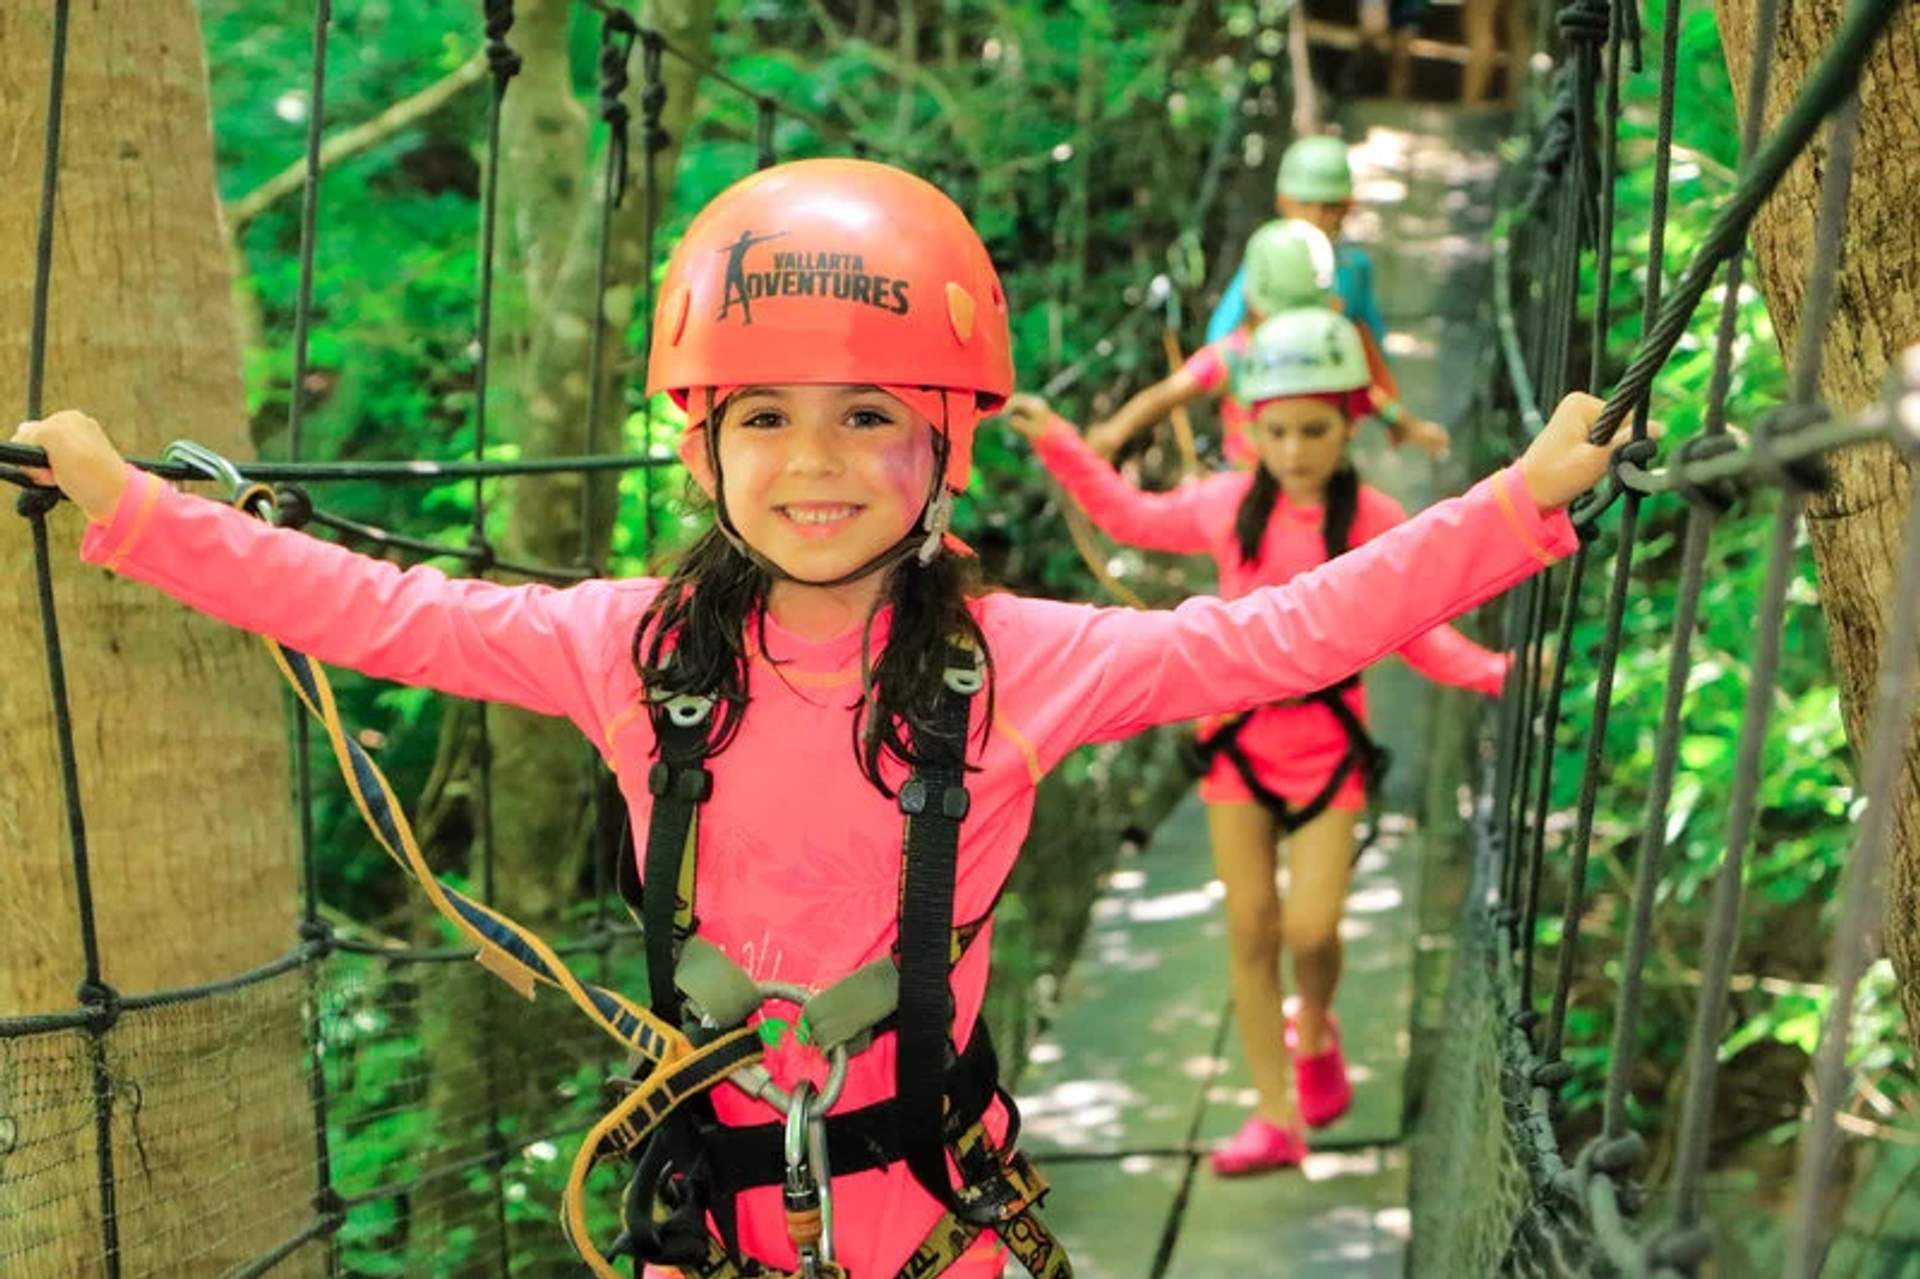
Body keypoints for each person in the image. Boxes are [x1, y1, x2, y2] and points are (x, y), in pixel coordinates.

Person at [15, 157, 1620, 1275]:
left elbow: (1276, 630)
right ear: (701, 445)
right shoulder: (625, 649)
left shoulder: (1016, 662)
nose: (817, 462)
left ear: (945, 447)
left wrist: (1509, 508)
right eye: (764, 416)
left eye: (871, 415)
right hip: (704, 1218)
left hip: (939, 1222)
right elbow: (375, 610)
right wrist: (140, 515)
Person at [1007, 306, 1509, 1175]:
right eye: (1274, 430)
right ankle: (1275, 1113)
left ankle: (1314, 1022)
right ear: (1249, 427)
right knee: (1252, 928)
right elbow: (1127, 516)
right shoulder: (1226, 503)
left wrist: (1500, 672)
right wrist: (1059, 440)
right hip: (1238, 752)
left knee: (1312, 930)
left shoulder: (1375, 516)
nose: (1293, 449)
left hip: (1331, 751)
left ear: (1350, 422)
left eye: (1313, 429)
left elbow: (1419, 626)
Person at [1087, 219, 1435, 466]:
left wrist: (1405, 425)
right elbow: (1164, 396)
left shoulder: (1247, 354)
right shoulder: (1236, 357)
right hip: (1253, 491)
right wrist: (1114, 432)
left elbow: (1363, 396)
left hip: (1316, 493)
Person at [1206, 135, 1449, 458]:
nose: (1317, 216)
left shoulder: (1351, 269)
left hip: (1324, 409)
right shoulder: (1269, 260)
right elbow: (1220, 341)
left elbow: (1369, 345)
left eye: (1330, 206)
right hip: (1263, 425)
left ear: (1348, 207)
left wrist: (1395, 415)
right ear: (1283, 202)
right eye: (1305, 204)